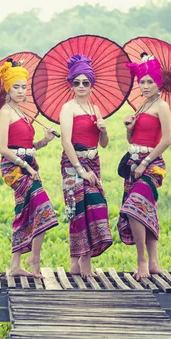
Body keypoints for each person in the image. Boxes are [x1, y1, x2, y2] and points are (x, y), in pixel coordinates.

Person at [0, 58, 59, 278]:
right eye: (16, 87)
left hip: (30, 165)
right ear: (8, 88)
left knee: (23, 211)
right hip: (15, 169)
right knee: (44, 207)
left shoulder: (23, 112)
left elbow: (28, 147)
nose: (21, 91)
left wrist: (45, 140)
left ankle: (15, 265)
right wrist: (26, 168)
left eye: (24, 87)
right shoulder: (5, 112)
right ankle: (34, 257)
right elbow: (3, 148)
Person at [117, 52, 171, 280]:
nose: (146, 85)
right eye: (142, 82)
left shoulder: (162, 106)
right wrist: (129, 128)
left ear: (158, 83)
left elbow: (167, 139)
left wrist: (146, 162)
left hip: (151, 165)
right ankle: (153, 262)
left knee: (134, 207)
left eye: (150, 81)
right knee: (146, 210)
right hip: (133, 164)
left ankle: (142, 261)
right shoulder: (140, 107)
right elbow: (133, 141)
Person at [59, 53, 113, 278]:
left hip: (94, 160)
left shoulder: (96, 109)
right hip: (73, 164)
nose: (81, 86)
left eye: (85, 82)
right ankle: (80, 260)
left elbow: (104, 144)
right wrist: (80, 170)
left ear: (92, 85)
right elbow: (65, 142)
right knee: (77, 210)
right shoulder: (67, 108)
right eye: (76, 82)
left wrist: (104, 130)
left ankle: (80, 258)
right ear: (72, 84)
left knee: (96, 205)